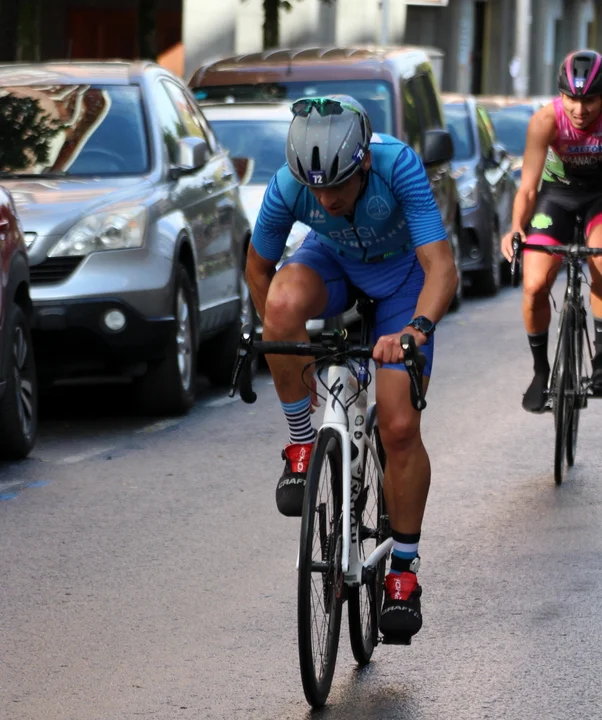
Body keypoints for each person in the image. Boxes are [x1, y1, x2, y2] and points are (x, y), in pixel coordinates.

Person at [245, 95, 458, 641]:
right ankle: (301, 445)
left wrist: (415, 331)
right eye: (314, 188)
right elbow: (258, 269)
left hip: (402, 282)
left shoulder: (398, 165)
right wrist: (286, 348)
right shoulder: (287, 186)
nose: (326, 198)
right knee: (282, 303)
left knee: (399, 427)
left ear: (363, 161)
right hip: (333, 265)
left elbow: (441, 267)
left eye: (337, 184)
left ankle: (403, 571)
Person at [502, 49, 602, 412]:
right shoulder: (545, 120)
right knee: (533, 285)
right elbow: (528, 188)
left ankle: (601, 359)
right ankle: (541, 370)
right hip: (556, 197)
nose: (580, 109)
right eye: (572, 99)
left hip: (599, 198)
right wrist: (516, 227)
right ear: (561, 95)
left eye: (589, 100)